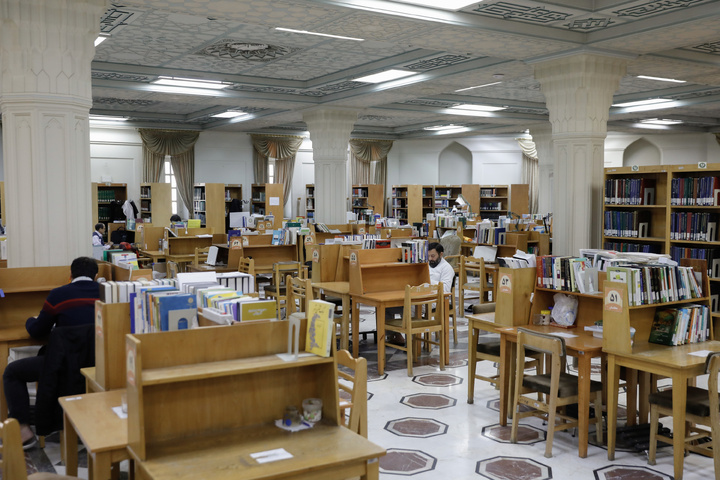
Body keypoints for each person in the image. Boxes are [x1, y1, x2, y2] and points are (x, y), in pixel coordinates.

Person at [3, 257, 100, 448]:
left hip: (62, 368)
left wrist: (31, 319)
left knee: (12, 372)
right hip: (99, 367)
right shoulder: (107, 294)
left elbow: (37, 330)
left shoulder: (58, 295)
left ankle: (23, 431)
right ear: (96, 276)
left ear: (70, 275)